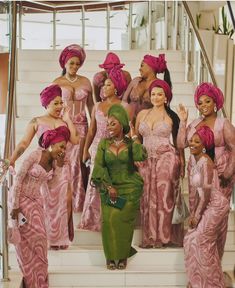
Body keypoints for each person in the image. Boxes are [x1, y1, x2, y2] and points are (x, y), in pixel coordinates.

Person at [9, 84, 79, 249]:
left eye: (61, 102)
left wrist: (68, 118)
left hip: (62, 166)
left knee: (63, 202)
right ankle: (48, 238)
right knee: (47, 202)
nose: (59, 106)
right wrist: (11, 159)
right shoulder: (37, 121)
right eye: (55, 103)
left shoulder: (64, 121)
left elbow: (75, 141)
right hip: (44, 166)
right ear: (46, 103)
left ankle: (61, 240)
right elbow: (24, 143)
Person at [177, 82, 235, 259]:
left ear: (215, 102)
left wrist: (229, 172)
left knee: (215, 224)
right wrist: (183, 121)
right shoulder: (194, 124)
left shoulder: (223, 124)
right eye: (200, 103)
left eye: (207, 101)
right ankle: (199, 269)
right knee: (198, 217)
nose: (203, 106)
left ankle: (214, 266)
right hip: (198, 178)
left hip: (220, 178)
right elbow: (181, 144)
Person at [9, 125, 70, 288]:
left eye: (65, 147)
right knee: (24, 243)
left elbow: (52, 186)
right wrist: (15, 206)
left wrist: (60, 166)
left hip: (36, 203)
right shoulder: (35, 155)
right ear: (52, 144)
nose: (63, 149)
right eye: (61, 146)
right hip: (20, 200)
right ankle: (31, 279)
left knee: (41, 240)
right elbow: (19, 178)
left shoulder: (55, 162)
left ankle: (40, 280)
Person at [91, 104, 147, 270]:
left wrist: (134, 135)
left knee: (123, 221)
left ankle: (122, 257)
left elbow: (141, 155)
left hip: (130, 187)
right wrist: (109, 187)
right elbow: (99, 167)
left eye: (113, 123)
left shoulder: (131, 144)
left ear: (122, 123)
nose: (108, 127)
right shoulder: (103, 144)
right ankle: (110, 257)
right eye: (107, 124)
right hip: (109, 187)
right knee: (109, 220)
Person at [79, 66, 133, 232]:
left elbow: (128, 131)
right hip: (97, 147)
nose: (104, 88)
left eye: (108, 85)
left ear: (116, 87)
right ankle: (92, 219)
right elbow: (91, 131)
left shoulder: (125, 106)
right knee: (96, 182)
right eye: (103, 85)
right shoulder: (97, 106)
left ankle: (113, 218)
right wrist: (85, 150)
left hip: (115, 148)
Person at [135, 79, 183, 248]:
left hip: (166, 158)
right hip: (146, 159)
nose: (155, 97)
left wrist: (182, 162)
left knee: (164, 197)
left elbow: (178, 143)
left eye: (159, 94)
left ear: (166, 97)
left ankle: (163, 237)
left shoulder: (172, 116)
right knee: (146, 197)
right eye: (153, 94)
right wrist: (135, 155)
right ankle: (149, 237)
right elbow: (137, 138)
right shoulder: (142, 114)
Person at [184, 126, 229, 288]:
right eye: (191, 140)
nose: (192, 144)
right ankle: (199, 281)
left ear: (205, 145)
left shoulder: (206, 162)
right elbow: (198, 194)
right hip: (206, 203)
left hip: (216, 205)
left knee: (200, 240)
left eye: (197, 141)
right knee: (190, 238)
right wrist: (193, 214)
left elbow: (207, 193)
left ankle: (213, 284)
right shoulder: (196, 161)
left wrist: (196, 216)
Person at [53, 44, 93, 211]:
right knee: (64, 162)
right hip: (63, 127)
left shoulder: (85, 81)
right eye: (71, 63)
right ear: (64, 63)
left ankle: (79, 202)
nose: (75, 67)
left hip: (82, 126)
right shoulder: (57, 82)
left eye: (77, 64)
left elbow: (91, 107)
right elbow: (51, 107)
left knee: (80, 163)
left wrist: (94, 129)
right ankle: (61, 198)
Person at [123, 53, 172, 119]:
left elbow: (162, 108)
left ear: (151, 67)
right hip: (129, 121)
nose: (139, 69)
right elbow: (124, 101)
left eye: (142, 66)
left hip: (147, 123)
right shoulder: (135, 81)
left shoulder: (159, 85)